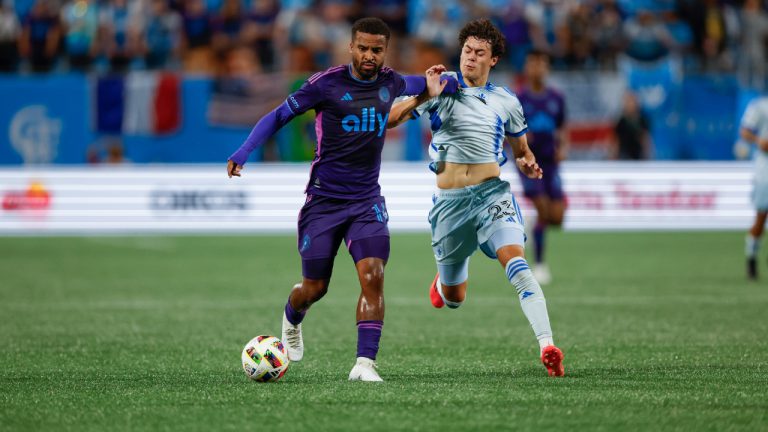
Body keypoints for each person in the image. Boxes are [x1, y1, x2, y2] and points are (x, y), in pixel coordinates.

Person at [227, 17, 455, 382]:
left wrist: (449, 82)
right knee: (314, 288)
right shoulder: (325, 84)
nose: (369, 55)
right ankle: (292, 319)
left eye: (376, 50)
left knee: (373, 275)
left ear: (386, 50)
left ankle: (364, 364)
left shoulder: (391, 82)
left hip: (366, 201)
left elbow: (436, 84)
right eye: (362, 48)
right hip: (323, 202)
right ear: (351, 47)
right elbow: (279, 115)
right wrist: (244, 150)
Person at [387, 18, 564, 377]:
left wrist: (527, 162)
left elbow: (521, 149)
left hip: (491, 196)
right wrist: (425, 95)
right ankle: (443, 284)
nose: (470, 57)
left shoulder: (506, 101)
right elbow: (389, 119)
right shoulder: (440, 86)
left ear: (493, 59)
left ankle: (547, 346)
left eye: (479, 53)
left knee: (517, 265)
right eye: (467, 50)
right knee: (455, 298)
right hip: (450, 205)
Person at [516, 49, 567, 285]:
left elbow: (563, 127)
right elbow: (508, 130)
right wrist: (521, 143)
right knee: (543, 209)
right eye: (533, 64)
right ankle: (539, 265)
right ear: (527, 68)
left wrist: (563, 148)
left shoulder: (556, 98)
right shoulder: (519, 99)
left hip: (551, 162)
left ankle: (530, 224)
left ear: (547, 68)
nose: (537, 68)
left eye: (541, 64)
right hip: (529, 162)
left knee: (557, 217)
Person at [739, 96, 768, 280]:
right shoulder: (761, 106)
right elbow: (745, 131)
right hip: (765, 169)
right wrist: (759, 141)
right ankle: (751, 257)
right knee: (761, 217)